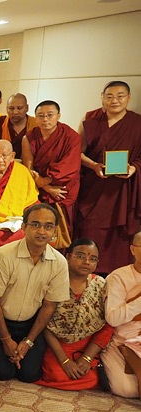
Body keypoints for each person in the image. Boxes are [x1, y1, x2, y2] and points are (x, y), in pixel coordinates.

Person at [0, 203, 70, 383]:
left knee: (29, 375)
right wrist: (6, 340)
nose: (42, 231)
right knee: (3, 373)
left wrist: (28, 342)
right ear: (23, 227)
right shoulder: (4, 255)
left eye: (48, 226)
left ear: (54, 231)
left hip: (30, 325)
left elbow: (49, 305)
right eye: (35, 224)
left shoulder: (59, 262)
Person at [76, 81, 141, 274]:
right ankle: (88, 276)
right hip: (95, 189)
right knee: (91, 230)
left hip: (124, 191)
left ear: (129, 98)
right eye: (110, 96)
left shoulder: (137, 123)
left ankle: (117, 277)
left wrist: (135, 168)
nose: (115, 101)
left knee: (120, 239)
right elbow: (77, 153)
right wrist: (94, 165)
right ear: (102, 97)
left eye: (120, 96)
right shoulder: (90, 122)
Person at [35, 238, 113, 391]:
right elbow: (43, 323)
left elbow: (107, 324)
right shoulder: (54, 282)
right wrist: (64, 361)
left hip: (88, 345)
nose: (86, 261)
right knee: (57, 376)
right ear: (68, 257)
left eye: (93, 258)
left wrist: (87, 357)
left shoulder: (100, 285)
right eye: (80, 255)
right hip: (58, 344)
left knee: (90, 378)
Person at [25, 100, 82, 241]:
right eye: (40, 116)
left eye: (50, 115)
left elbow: (69, 166)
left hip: (62, 189)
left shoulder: (71, 137)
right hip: (38, 189)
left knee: (60, 232)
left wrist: (45, 182)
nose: (45, 119)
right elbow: (28, 168)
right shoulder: (29, 137)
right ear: (35, 118)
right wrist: (47, 187)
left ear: (58, 116)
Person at [103, 231, 141, 399]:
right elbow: (113, 318)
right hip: (122, 341)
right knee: (126, 390)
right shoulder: (119, 277)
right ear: (133, 250)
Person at [0, 93, 37, 159]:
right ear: (7, 109)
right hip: (3, 165)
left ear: (27, 108)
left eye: (19, 108)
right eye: (11, 108)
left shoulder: (36, 124)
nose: (15, 112)